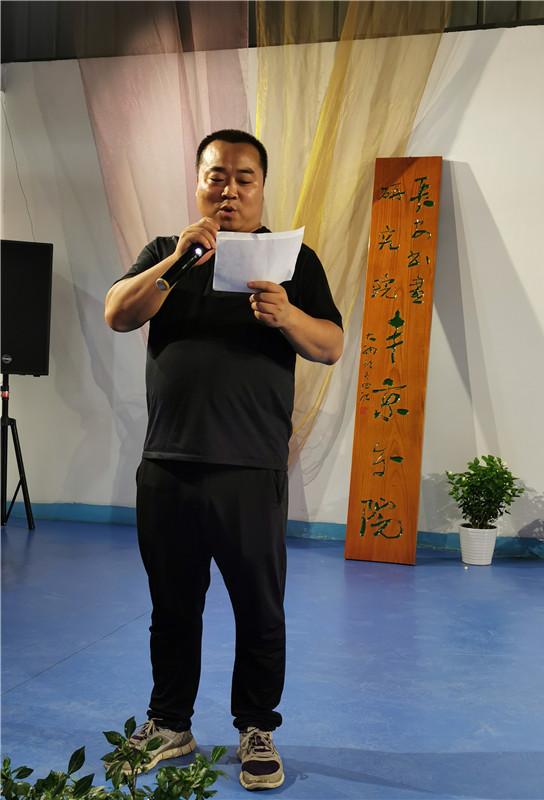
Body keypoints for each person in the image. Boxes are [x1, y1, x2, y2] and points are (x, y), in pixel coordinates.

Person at [104, 129, 343, 791]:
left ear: (261, 187)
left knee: (259, 609)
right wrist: (176, 263)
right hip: (168, 462)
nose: (229, 190)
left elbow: (330, 345)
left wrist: (287, 316)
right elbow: (118, 314)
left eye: (243, 178)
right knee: (172, 606)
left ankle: (256, 728)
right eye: (216, 176)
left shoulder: (292, 260)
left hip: (250, 468)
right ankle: (169, 724)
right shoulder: (168, 251)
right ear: (199, 182)